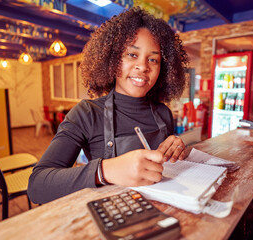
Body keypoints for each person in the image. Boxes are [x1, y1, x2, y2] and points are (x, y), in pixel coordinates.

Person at [28, 7, 189, 204]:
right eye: (132, 54)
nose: (143, 66)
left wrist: (175, 148)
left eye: (153, 59)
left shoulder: (163, 113)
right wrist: (105, 171)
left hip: (163, 212)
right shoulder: (86, 114)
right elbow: (37, 186)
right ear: (112, 60)